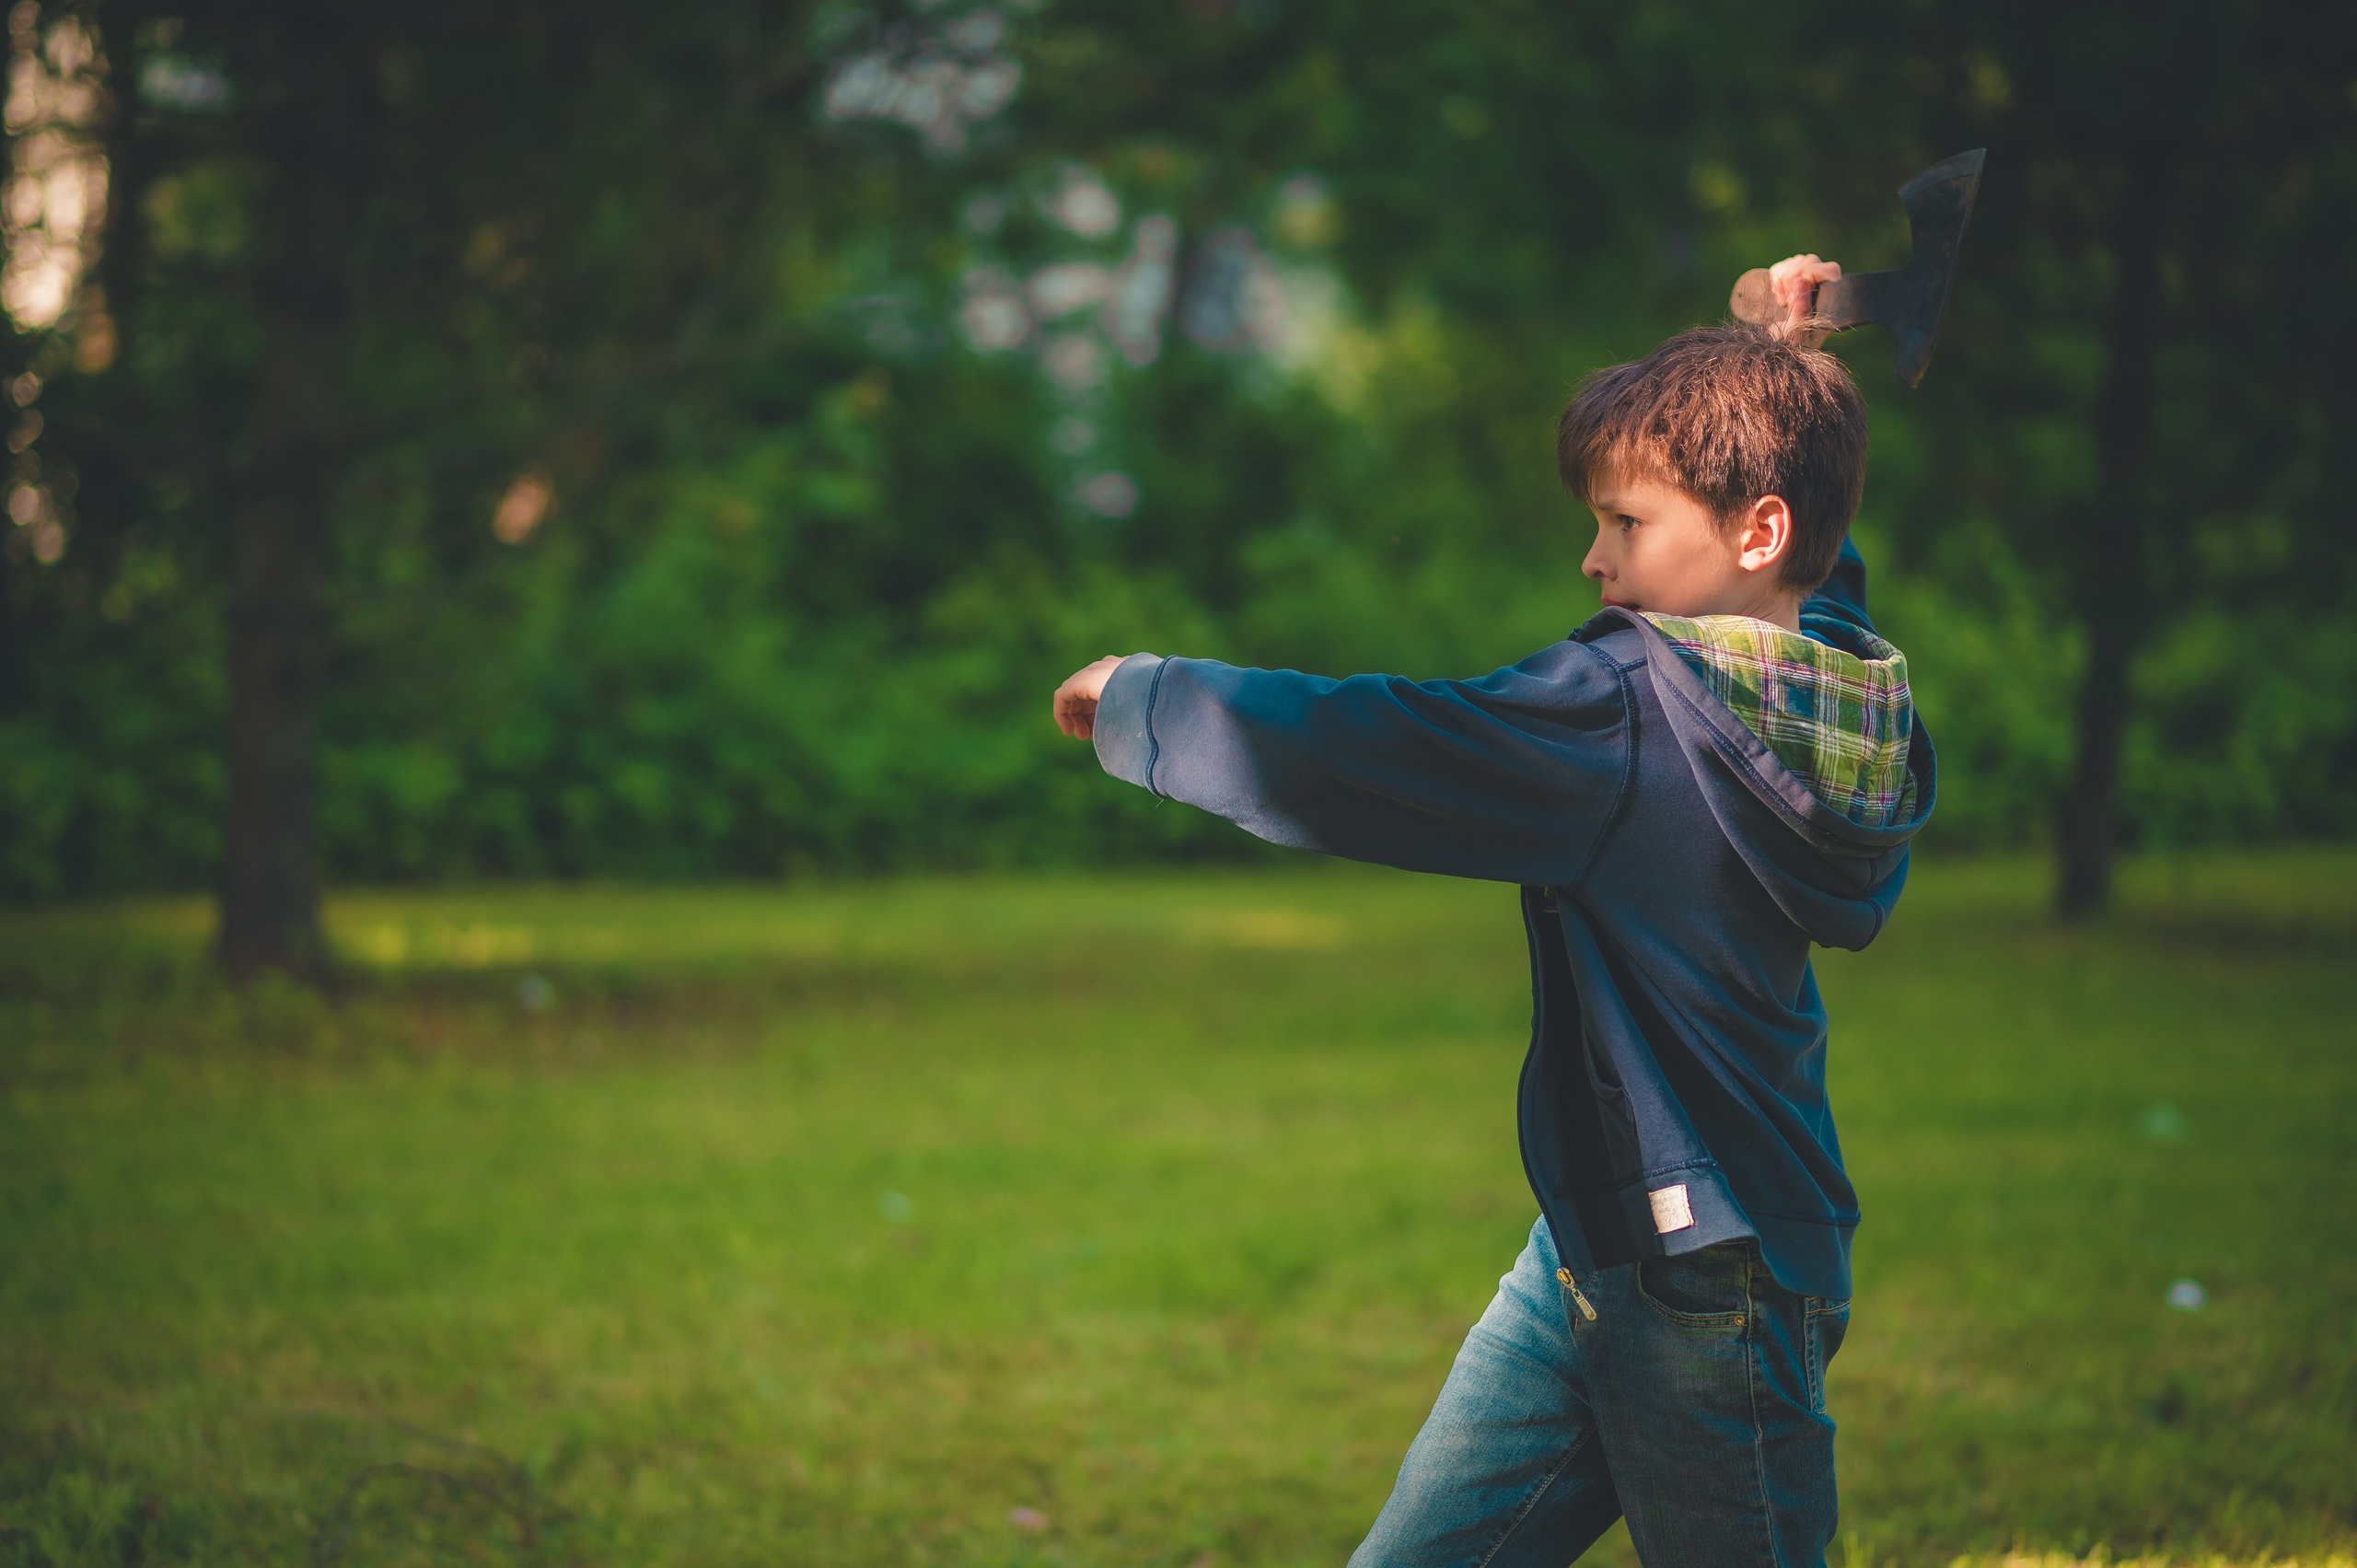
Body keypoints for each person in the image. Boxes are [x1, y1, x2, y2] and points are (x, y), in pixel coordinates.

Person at [1049, 254, 1933, 1568]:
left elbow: (1392, 749)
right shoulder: (1829, 688)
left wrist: (1151, 697)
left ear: (1755, 534)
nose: (1595, 559)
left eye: (1626, 527)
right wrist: (1797, 367)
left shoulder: (1627, 711)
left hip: (1707, 1290)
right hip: (1606, 1244)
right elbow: (1812, 563)